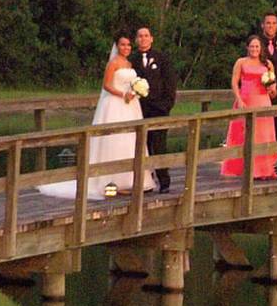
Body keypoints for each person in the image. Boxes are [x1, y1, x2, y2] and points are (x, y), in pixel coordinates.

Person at [38, 32, 154, 199]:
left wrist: (136, 90)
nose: (126, 48)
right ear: (117, 46)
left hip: (131, 106)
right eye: (122, 45)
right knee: (113, 141)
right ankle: (111, 181)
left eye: (128, 45)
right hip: (115, 104)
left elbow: (131, 83)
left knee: (130, 140)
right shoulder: (113, 63)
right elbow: (107, 85)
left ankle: (131, 180)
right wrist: (123, 94)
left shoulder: (129, 63)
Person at [220, 36, 277, 179]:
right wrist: (239, 99)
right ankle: (242, 168)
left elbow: (273, 85)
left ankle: (264, 169)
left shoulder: (268, 64)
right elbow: (234, 82)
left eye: (257, 47)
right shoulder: (241, 62)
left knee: (263, 136)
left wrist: (272, 90)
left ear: (261, 48)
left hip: (262, 100)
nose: (254, 49)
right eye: (252, 46)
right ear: (247, 48)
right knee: (243, 135)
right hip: (246, 100)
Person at [130, 26, 177, 193]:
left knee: (159, 145)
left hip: (159, 109)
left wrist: (166, 105)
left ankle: (164, 182)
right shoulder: (132, 60)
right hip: (139, 109)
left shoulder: (162, 58)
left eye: (146, 36)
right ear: (136, 40)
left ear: (151, 38)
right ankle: (146, 182)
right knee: (143, 145)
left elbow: (170, 83)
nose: (143, 39)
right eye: (140, 36)